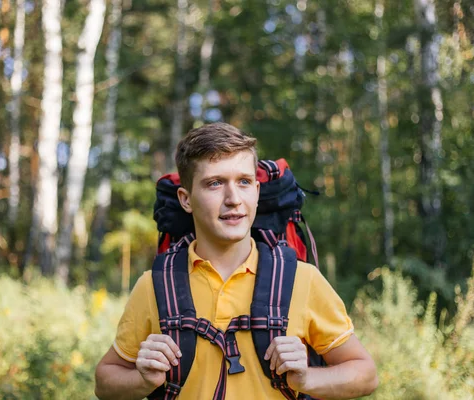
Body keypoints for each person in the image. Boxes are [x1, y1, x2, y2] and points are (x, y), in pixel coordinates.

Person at [95, 123, 378, 399]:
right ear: (186, 199)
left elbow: (365, 374)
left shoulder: (301, 279)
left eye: (243, 182)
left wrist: (307, 377)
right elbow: (105, 381)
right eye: (215, 183)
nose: (233, 199)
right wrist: (141, 380)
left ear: (256, 191)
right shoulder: (155, 285)